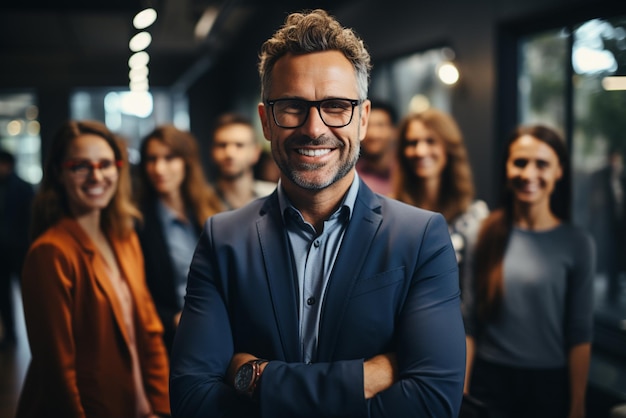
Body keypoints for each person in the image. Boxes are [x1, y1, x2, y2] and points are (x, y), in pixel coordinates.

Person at [170, 9, 466, 418]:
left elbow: (433, 403)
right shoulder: (223, 239)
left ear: (362, 119)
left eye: (336, 106)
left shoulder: (421, 238)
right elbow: (193, 401)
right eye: (292, 106)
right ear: (266, 122)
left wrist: (257, 377)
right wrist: (363, 378)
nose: (314, 128)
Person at [17, 120, 170, 418]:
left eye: (105, 164)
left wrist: (161, 407)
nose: (96, 175)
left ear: (118, 168)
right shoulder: (51, 252)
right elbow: (58, 371)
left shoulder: (125, 238)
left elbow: (149, 331)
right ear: (60, 173)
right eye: (80, 166)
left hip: (139, 405)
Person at [463, 125, 595, 418]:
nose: (528, 174)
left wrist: (577, 403)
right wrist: (461, 388)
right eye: (520, 162)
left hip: (550, 387)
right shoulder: (481, 235)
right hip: (489, 384)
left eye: (542, 164)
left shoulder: (578, 244)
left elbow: (580, 333)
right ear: (507, 167)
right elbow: (468, 323)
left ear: (559, 171)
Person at [136, 124, 222, 354]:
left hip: (221, 329)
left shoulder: (211, 207)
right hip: (174, 340)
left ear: (186, 161)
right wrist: (174, 320)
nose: (159, 168)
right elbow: (138, 295)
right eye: (151, 159)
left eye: (169, 158)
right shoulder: (138, 223)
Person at [392, 109, 489, 292]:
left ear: (449, 148)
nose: (420, 151)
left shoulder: (473, 216)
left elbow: (476, 294)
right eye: (412, 143)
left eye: (430, 141)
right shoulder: (389, 212)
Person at [0, 150, 34, 348]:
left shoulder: (22, 187)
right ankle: (10, 335)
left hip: (20, 250)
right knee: (3, 296)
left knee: (29, 294)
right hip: (2, 251)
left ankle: (34, 334)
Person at [210, 113, 276, 210]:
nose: (229, 153)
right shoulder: (201, 200)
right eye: (222, 145)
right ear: (212, 151)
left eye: (239, 145)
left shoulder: (274, 197)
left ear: (256, 153)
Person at [355, 99, 398, 196]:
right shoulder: (352, 177)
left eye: (380, 125)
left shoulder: (408, 171)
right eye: (367, 126)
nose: (373, 134)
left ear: (394, 131)